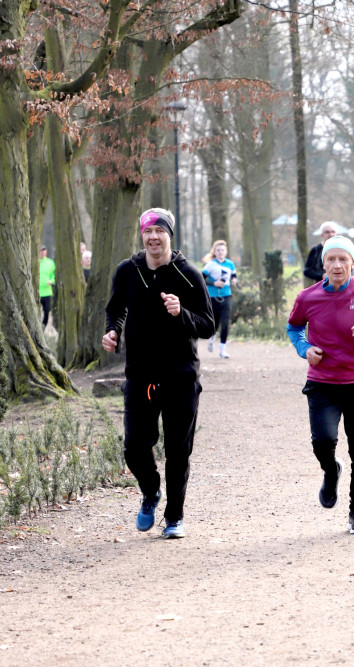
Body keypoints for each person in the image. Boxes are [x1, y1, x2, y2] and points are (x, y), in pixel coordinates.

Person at [102, 207, 215, 540]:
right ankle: (151, 491)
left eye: (160, 231)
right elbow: (115, 309)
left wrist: (181, 314)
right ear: (142, 235)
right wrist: (112, 331)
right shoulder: (127, 271)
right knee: (135, 448)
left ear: (169, 235)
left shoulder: (188, 275)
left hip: (180, 376)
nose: (154, 237)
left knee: (178, 451)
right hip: (140, 375)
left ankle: (174, 518)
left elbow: (208, 325)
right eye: (148, 231)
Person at [287, 234, 354, 534]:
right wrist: (305, 349)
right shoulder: (307, 297)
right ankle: (330, 471)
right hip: (323, 383)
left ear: (352, 264)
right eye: (331, 259)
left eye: (342, 259)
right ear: (323, 264)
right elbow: (293, 328)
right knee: (322, 442)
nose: (336, 265)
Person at [202, 239, 237, 359]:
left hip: (226, 295)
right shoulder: (211, 264)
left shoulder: (230, 264)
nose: (221, 252)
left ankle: (222, 350)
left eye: (222, 250)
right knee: (214, 322)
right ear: (215, 252)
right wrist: (214, 283)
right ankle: (212, 337)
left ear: (226, 251)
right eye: (218, 250)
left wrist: (234, 280)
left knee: (225, 322)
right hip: (212, 297)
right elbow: (202, 279)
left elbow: (233, 275)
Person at [303, 222, 339, 288]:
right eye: (327, 232)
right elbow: (307, 271)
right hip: (320, 288)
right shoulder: (315, 250)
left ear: (336, 234)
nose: (331, 234)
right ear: (322, 235)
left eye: (333, 232)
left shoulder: (342, 250)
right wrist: (321, 276)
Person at [39, 245, 55, 328]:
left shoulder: (50, 263)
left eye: (43, 250)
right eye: (41, 250)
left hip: (47, 292)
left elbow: (54, 275)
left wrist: (51, 281)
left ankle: (43, 327)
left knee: (47, 311)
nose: (42, 252)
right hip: (37, 291)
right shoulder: (35, 262)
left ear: (46, 252)